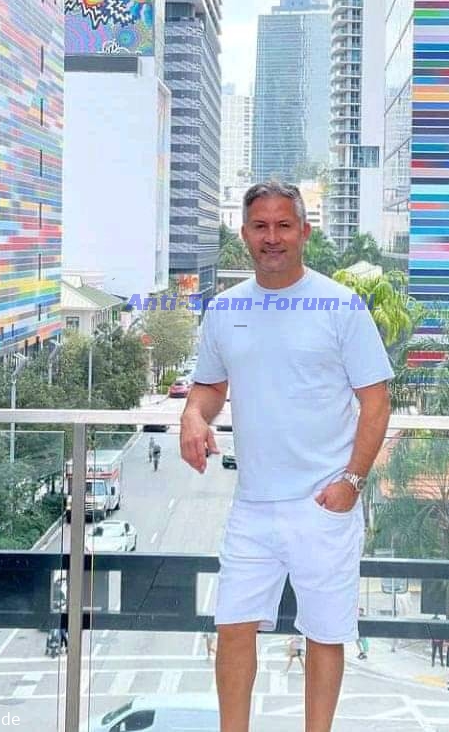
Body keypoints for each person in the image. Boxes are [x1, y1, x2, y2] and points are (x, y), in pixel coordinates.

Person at [180, 181, 393, 732]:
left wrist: (351, 482)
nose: (271, 237)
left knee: (324, 635)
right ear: (244, 234)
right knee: (232, 628)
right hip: (252, 505)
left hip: (324, 503)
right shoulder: (225, 309)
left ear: (304, 231)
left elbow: (376, 402)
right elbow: (210, 386)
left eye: (283, 225)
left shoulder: (340, 306)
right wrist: (193, 415)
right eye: (260, 226)